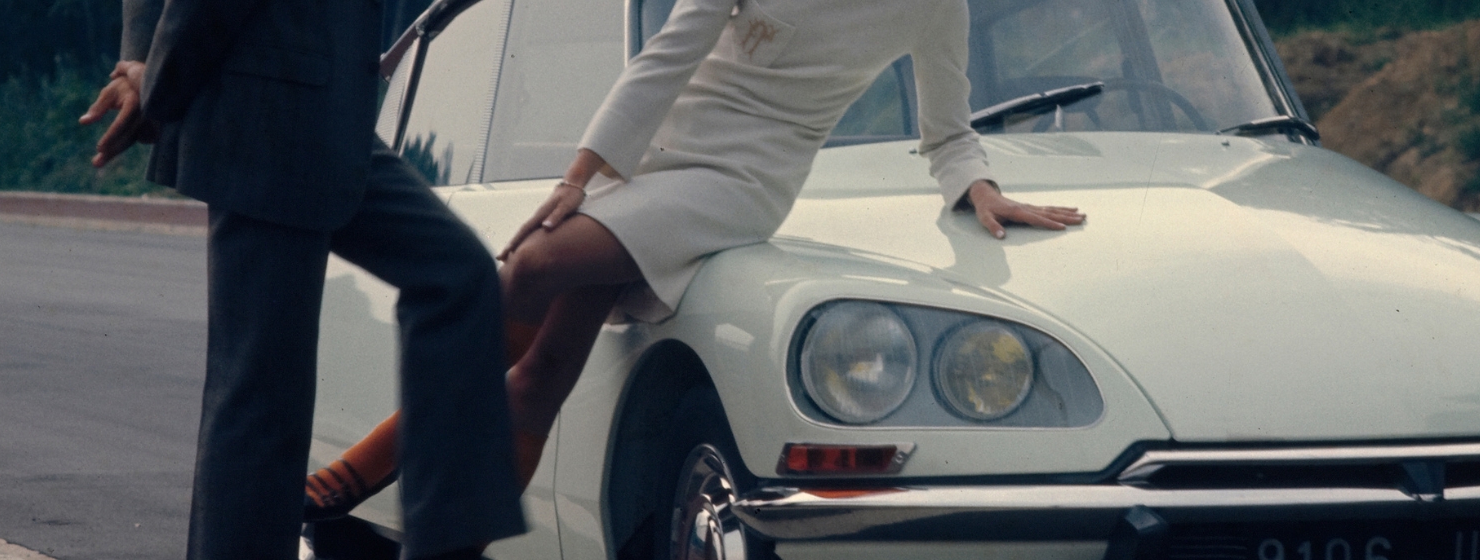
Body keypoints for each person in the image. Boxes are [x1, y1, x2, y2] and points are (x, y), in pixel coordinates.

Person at [294, 0, 1087, 541]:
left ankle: (363, 469)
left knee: (530, 268)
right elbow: (668, 54)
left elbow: (946, 129)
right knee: (544, 374)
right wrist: (580, 174)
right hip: (648, 155)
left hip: (740, 182)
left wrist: (977, 186)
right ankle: (456, 532)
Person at [79, 0, 526, 558]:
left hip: (328, 116)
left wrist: (142, 65)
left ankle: (443, 545)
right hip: (266, 115)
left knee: (458, 278)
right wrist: (156, 81)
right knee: (262, 399)